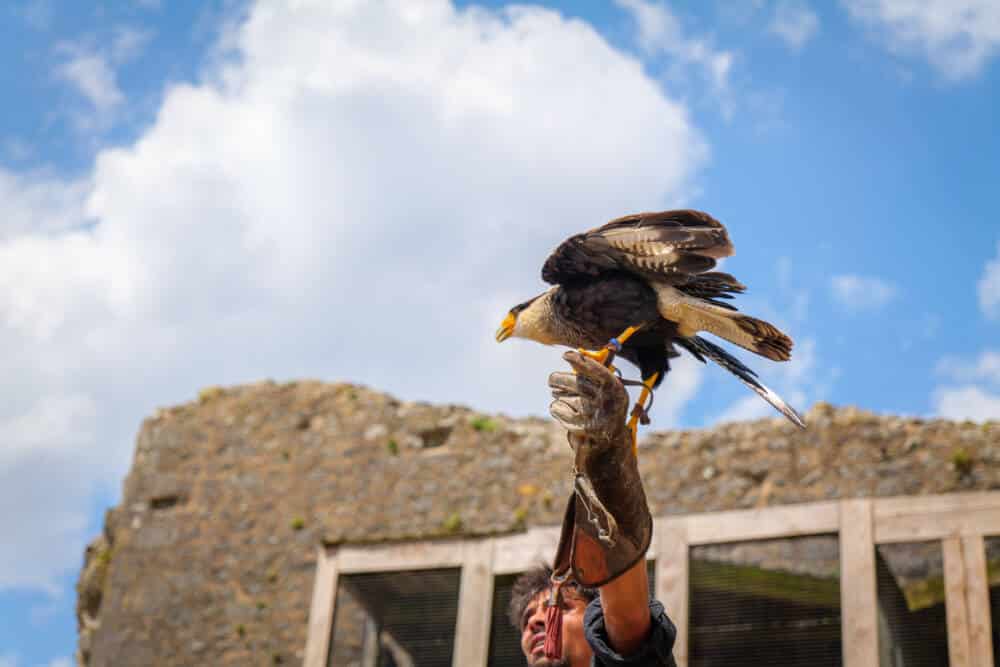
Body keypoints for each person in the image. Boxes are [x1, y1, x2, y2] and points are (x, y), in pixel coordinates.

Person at [508, 350, 678, 666]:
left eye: (562, 607)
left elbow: (627, 626)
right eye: (528, 617)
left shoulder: (617, 631)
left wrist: (606, 461)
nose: (534, 622)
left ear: (597, 623)